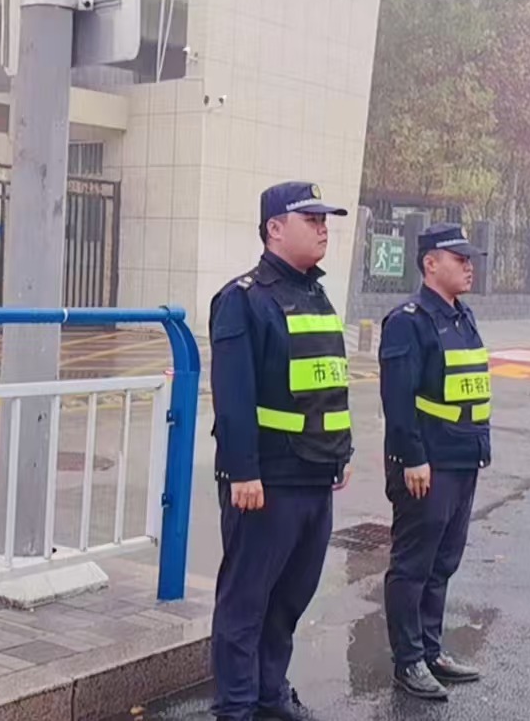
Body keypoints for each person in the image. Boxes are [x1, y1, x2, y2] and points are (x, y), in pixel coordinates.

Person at [209, 182, 354, 721]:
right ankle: (236, 707)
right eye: (310, 219)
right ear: (274, 228)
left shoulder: (316, 294)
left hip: (315, 475)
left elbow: (327, 385)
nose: (323, 228)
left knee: (290, 599)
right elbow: (233, 397)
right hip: (266, 481)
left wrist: (340, 452)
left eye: (325, 220)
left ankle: (271, 695)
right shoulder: (243, 299)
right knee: (246, 603)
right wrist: (242, 471)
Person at [378, 222, 491, 700]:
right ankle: (408, 660)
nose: (469, 266)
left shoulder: (462, 316)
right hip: (427, 465)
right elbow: (398, 400)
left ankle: (430, 649)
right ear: (430, 264)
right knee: (414, 564)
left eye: (470, 259)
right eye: (459, 258)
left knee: (443, 561)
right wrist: (412, 458)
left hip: (462, 459)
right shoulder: (408, 320)